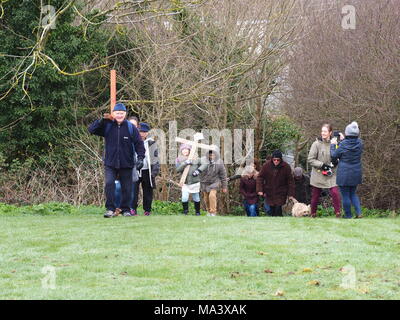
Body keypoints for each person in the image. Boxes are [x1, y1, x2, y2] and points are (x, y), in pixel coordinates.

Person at [88, 103, 145, 218]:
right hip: (110, 162)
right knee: (109, 184)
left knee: (127, 187)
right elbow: (91, 130)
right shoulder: (107, 125)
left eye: (122, 113)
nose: (119, 115)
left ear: (125, 114)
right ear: (113, 113)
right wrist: (101, 121)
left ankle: (126, 210)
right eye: (117, 113)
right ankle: (110, 209)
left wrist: (140, 158)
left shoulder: (130, 127)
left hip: (127, 162)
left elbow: (139, 143)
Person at [307, 123, 342, 218]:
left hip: (331, 173)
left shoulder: (335, 143)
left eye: (325, 131)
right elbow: (310, 159)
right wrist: (322, 165)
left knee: (335, 192)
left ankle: (338, 213)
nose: (323, 133)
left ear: (330, 132)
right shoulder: (316, 144)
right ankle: (313, 214)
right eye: (322, 131)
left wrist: (336, 162)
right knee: (315, 196)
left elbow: (340, 155)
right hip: (318, 174)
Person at [331, 121, 364, 219]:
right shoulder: (360, 143)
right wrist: (343, 140)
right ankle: (359, 213)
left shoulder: (343, 144)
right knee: (353, 194)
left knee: (345, 195)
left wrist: (333, 145)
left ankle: (348, 215)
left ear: (347, 133)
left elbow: (334, 155)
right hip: (356, 172)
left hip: (344, 172)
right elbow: (351, 144)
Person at [131, 122, 160, 216]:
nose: (142, 133)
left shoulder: (151, 143)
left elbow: (155, 158)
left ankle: (147, 210)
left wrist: (154, 172)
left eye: (144, 132)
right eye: (140, 131)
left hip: (148, 170)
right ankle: (132, 209)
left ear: (147, 133)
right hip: (134, 170)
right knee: (133, 190)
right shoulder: (132, 141)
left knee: (148, 191)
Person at [256, 150, 295, 217]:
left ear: (281, 159)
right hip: (269, 191)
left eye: (278, 160)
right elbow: (260, 177)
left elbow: (290, 181)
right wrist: (260, 189)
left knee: (278, 209)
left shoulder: (286, 167)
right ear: (272, 159)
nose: (276, 161)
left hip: (281, 192)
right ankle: (272, 224)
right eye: (274, 160)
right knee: (270, 210)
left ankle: (279, 223)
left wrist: (290, 194)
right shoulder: (266, 166)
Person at [195, 149, 228, 216]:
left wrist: (224, 186)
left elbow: (223, 175)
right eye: (210, 154)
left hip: (215, 182)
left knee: (212, 195)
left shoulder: (219, 162)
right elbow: (195, 167)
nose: (212, 155)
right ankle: (209, 211)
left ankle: (213, 212)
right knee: (206, 198)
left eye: (213, 154)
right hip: (204, 182)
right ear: (208, 154)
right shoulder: (202, 160)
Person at [175, 144, 202, 215]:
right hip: (185, 182)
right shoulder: (178, 159)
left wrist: (198, 170)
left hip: (194, 182)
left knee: (196, 198)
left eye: (186, 149)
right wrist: (185, 163)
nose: (185, 151)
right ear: (181, 151)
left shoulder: (196, 158)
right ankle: (185, 212)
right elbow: (177, 169)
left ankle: (197, 212)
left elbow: (205, 164)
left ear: (189, 150)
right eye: (183, 149)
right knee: (184, 198)